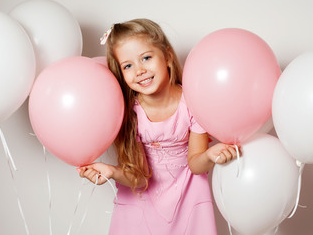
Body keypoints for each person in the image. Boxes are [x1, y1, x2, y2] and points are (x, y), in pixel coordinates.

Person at [77, 18, 238, 235]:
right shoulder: (128, 114)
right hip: (140, 200)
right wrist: (112, 172)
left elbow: (195, 164)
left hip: (187, 198)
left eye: (146, 58)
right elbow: (140, 177)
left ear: (167, 56)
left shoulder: (192, 103)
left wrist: (210, 156)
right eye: (128, 65)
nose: (140, 70)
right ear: (121, 74)